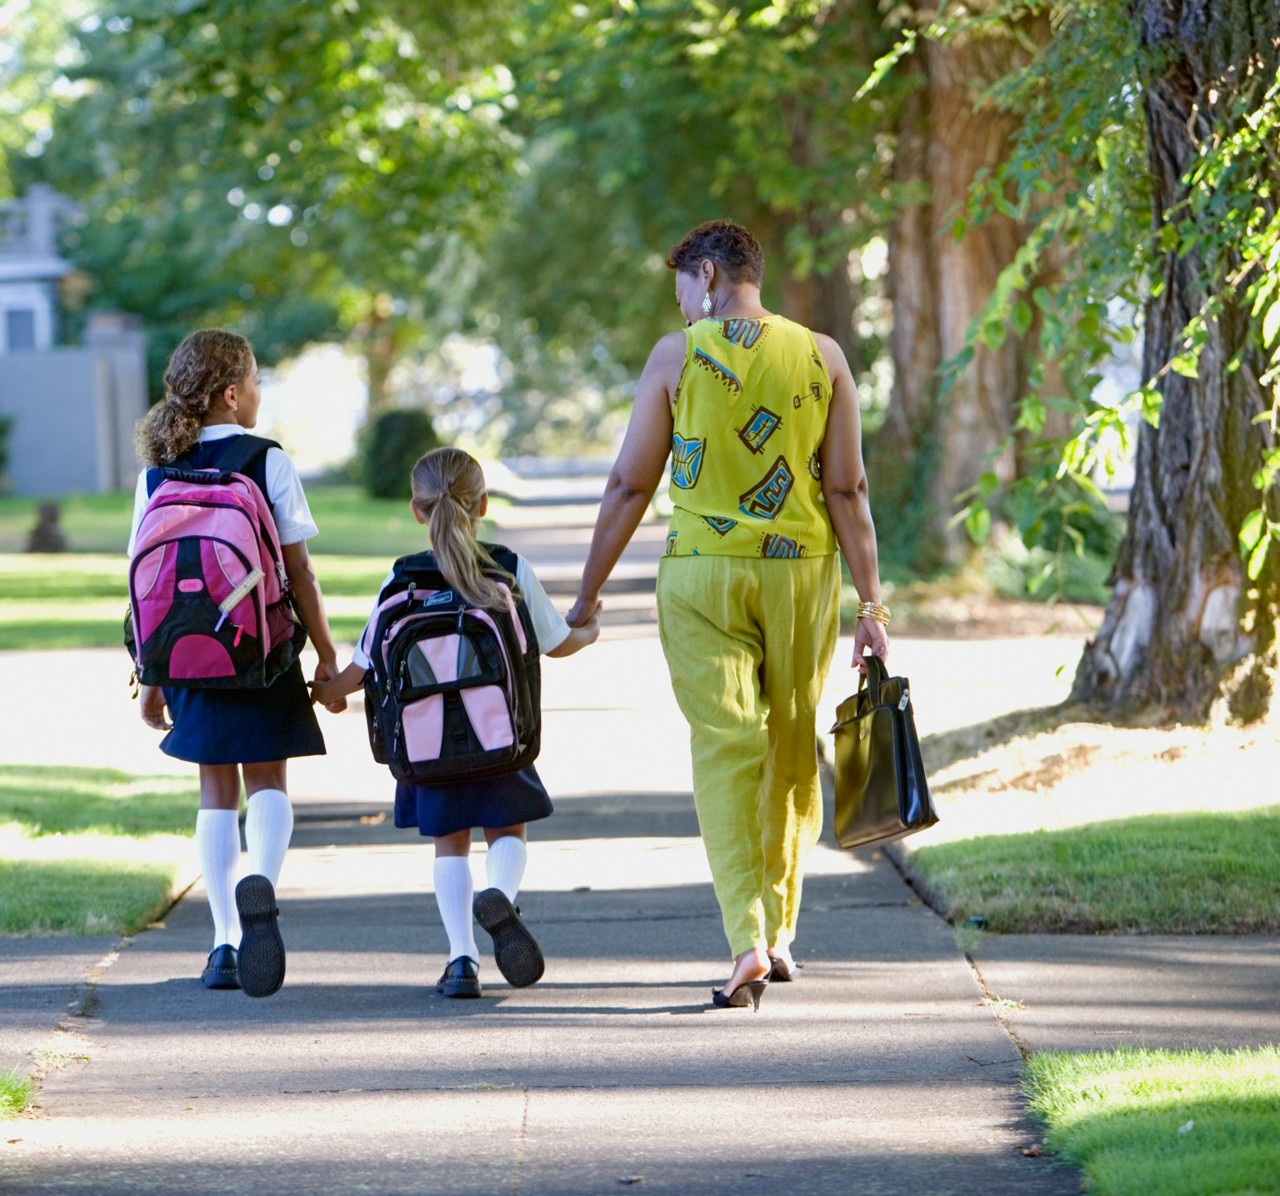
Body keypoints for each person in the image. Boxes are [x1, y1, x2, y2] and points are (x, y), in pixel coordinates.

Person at [566, 220, 889, 1011]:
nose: (679, 303)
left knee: (725, 746)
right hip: (801, 577)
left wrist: (587, 594)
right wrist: (872, 606)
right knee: (787, 743)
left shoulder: (679, 356)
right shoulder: (824, 356)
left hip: (703, 577)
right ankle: (778, 935)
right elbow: (847, 491)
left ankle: (745, 938)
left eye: (681, 285)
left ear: (706, 274)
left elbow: (629, 487)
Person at [312, 447, 600, 998]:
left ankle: (461, 960)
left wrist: (324, 692)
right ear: (483, 504)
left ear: (418, 512)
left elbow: (362, 667)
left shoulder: (401, 580)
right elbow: (557, 644)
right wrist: (589, 629)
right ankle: (499, 895)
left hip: (429, 748)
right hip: (499, 737)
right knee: (506, 831)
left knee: (449, 844)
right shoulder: (508, 568)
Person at [129, 329, 342, 997]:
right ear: (230, 393)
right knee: (267, 782)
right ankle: (263, 891)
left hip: (187, 654)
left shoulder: (157, 472)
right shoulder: (266, 460)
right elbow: (300, 574)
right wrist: (330, 658)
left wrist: (150, 679)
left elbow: (144, 587)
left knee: (214, 791)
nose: (256, 394)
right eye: (252, 382)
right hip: (261, 650)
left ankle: (223, 939)